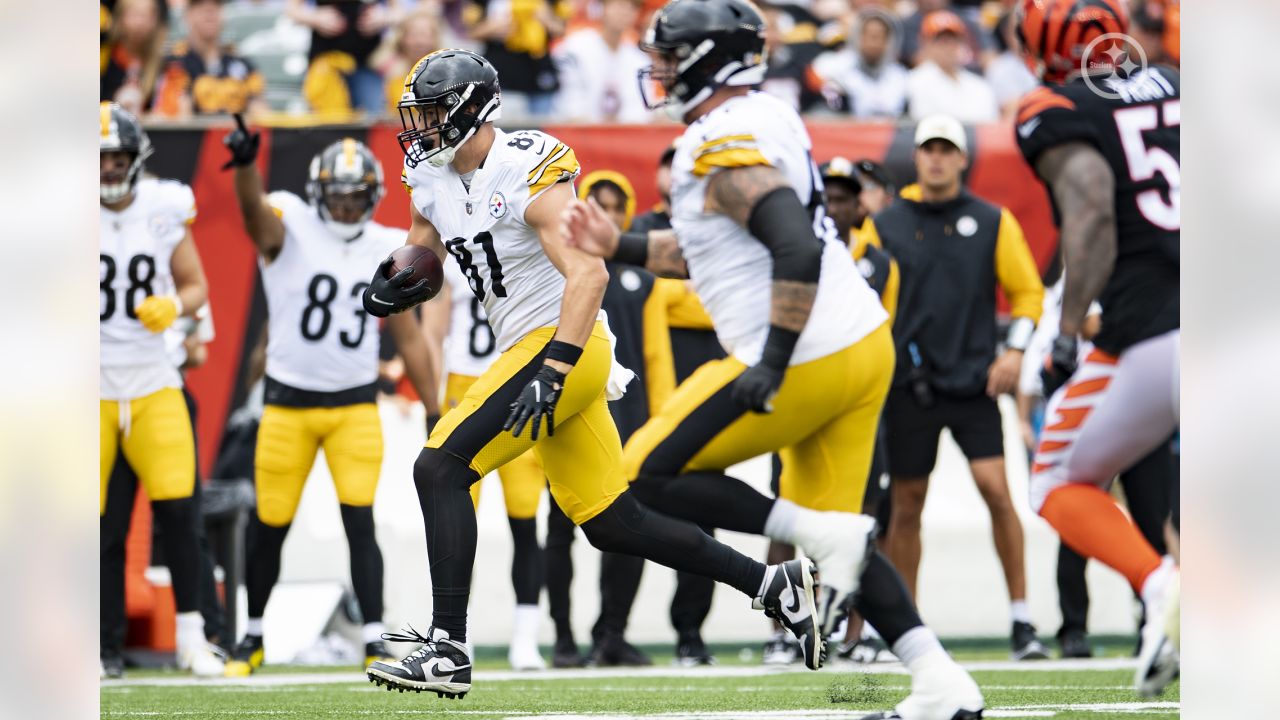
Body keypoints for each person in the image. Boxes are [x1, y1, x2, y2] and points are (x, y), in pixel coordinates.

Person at [361, 48, 824, 698]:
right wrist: (401, 276)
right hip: (528, 347)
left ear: (469, 109)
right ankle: (771, 584)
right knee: (612, 522)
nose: (423, 126)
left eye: (434, 111)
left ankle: (449, 648)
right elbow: (426, 239)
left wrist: (554, 370)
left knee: (439, 467)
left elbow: (591, 272)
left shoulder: (525, 164)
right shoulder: (432, 173)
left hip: (564, 343)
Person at [564, 2, 984, 717]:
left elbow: (792, 244)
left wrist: (772, 361)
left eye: (669, 56)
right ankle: (943, 683)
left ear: (705, 58)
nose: (658, 70)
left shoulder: (717, 142)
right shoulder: (768, 115)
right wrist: (621, 246)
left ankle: (818, 535)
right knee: (842, 547)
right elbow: (714, 250)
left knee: (647, 471)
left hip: (804, 351)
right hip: (859, 344)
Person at [219, 129, 442, 676]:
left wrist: (435, 406)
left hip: (353, 406)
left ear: (370, 197)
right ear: (318, 193)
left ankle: (373, 637)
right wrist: (247, 169)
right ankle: (250, 636)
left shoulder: (384, 245)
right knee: (270, 523)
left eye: (354, 196)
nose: (344, 206)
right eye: (336, 195)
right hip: (287, 405)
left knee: (360, 522)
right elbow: (254, 216)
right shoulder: (290, 224)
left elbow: (410, 337)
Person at [1013, 0, 1180, 696]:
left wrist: (1066, 326)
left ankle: (1165, 589)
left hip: (1153, 324)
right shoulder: (1176, 81)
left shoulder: (1053, 106)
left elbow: (1090, 216)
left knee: (1055, 481)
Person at [864, 114, 1047, 661]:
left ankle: (1022, 620)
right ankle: (904, 628)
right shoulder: (887, 223)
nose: (937, 158)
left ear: (963, 157)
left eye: (947, 149)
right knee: (905, 504)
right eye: (929, 149)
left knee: (997, 491)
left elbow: (1028, 294)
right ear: (917, 158)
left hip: (974, 383)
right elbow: (865, 300)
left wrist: (1014, 351)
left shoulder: (992, 220)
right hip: (909, 384)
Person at [99, 101, 223, 678]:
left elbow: (196, 285)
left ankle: (194, 638)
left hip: (153, 381)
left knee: (181, 516)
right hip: (89, 389)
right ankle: (99, 646)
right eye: (99, 159)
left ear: (136, 158)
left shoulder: (163, 206)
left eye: (117, 157)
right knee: (100, 526)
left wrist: (173, 304)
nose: (107, 169)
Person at [418, 232, 550, 671]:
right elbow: (434, 335)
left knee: (525, 518)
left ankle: (525, 635)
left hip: (515, 385)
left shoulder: (528, 250)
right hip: (465, 387)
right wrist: (433, 404)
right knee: (457, 519)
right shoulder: (454, 262)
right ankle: (457, 635)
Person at [151, 0, 269, 118]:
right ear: (187, 15)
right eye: (199, 5)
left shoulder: (243, 64)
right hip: (193, 135)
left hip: (236, 133)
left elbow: (260, 109)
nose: (209, 11)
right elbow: (172, 115)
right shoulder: (174, 62)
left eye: (216, 5)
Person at [287, 0, 404, 115]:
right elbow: (292, 10)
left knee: (373, 115)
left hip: (367, 64)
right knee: (328, 119)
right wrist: (316, 17)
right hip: (326, 63)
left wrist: (383, 17)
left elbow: (399, 13)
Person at [463, 0, 568, 120]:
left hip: (539, 73)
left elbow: (562, 29)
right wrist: (493, 27)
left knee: (540, 128)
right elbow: (470, 32)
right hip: (501, 74)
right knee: (504, 127)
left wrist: (545, 18)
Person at [553, 0, 652, 123]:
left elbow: (641, 110)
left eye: (632, 7)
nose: (625, 12)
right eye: (619, 5)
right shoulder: (575, 47)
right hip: (577, 135)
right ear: (602, 8)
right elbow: (570, 104)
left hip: (624, 136)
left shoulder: (639, 59)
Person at [806, 9, 907, 119]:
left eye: (880, 37)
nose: (874, 43)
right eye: (869, 35)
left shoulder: (899, 76)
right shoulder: (836, 65)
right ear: (857, 36)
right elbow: (816, 72)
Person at [904, 10, 997, 123]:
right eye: (942, 41)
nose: (949, 47)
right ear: (925, 43)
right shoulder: (914, 81)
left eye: (954, 40)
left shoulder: (980, 86)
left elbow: (989, 123)